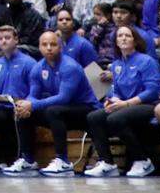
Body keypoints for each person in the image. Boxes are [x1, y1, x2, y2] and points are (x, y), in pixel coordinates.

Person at [11, 31, 99, 176]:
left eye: (53, 44)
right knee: (22, 112)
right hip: (62, 111)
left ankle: (63, 161)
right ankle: (27, 160)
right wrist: (25, 105)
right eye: (45, 45)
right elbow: (33, 95)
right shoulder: (38, 68)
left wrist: (32, 105)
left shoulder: (70, 67)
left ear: (60, 47)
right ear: (39, 47)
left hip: (85, 109)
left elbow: (64, 98)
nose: (49, 48)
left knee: (53, 110)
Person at [84, 24, 160, 177]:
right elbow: (117, 91)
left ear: (135, 40)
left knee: (115, 118)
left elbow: (152, 91)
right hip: (124, 105)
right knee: (93, 117)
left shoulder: (146, 61)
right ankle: (107, 163)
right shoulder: (117, 64)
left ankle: (143, 161)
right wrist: (112, 100)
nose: (123, 38)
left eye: (127, 35)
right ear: (116, 42)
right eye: (120, 36)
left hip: (146, 105)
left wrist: (126, 103)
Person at [0, 26, 35, 173]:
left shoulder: (29, 63)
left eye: (7, 38)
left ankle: (7, 158)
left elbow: (35, 90)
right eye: (0, 39)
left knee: (1, 118)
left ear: (16, 39)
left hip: (19, 107)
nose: (3, 41)